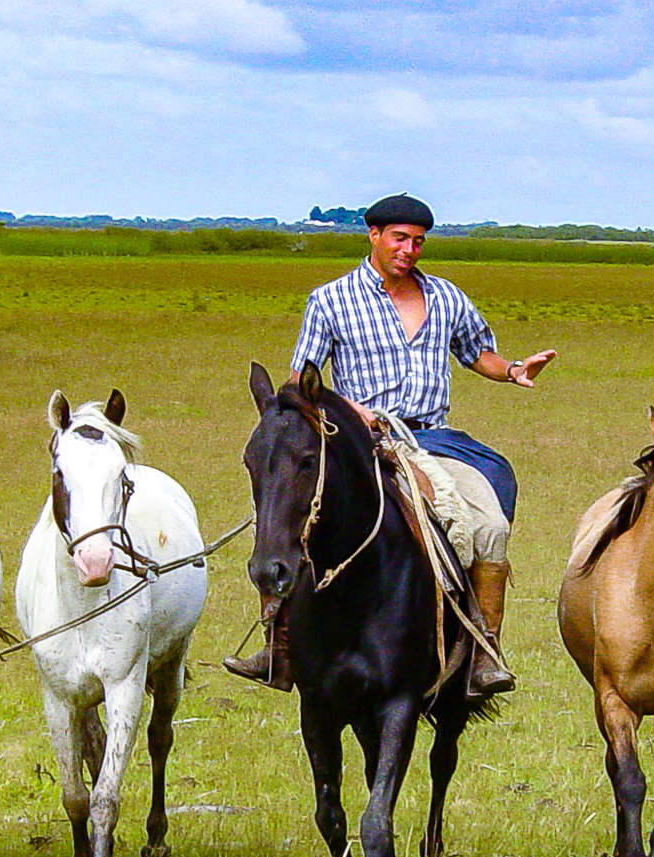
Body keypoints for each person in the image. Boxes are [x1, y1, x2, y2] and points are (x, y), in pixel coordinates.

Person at [224, 193, 556, 700]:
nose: (409, 249)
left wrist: (512, 370)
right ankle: (280, 643)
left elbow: (477, 353)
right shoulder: (330, 300)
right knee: (297, 519)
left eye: (418, 241)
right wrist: (349, 410)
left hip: (431, 441)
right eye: (400, 238)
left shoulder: (446, 297)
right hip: (358, 443)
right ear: (374, 235)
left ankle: (483, 653)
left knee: (488, 526)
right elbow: (299, 388)